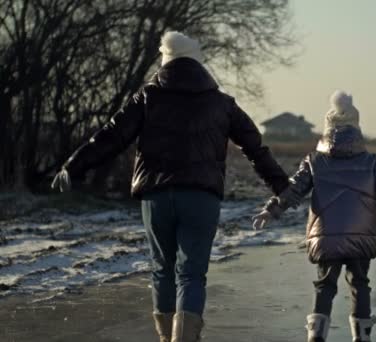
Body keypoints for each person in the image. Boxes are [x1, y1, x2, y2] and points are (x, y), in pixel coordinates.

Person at [52, 31, 289, 342]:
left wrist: (73, 166)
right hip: (201, 197)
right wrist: (282, 186)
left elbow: (111, 136)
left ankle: (166, 338)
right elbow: (255, 148)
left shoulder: (147, 98)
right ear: (199, 64)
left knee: (163, 269)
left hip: (157, 197)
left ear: (165, 62)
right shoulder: (223, 104)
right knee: (191, 274)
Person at [252, 90, 376, 342]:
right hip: (362, 235)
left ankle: (316, 335)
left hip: (326, 237)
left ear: (327, 127)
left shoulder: (315, 160)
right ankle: (362, 336)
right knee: (360, 283)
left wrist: (271, 210)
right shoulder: (372, 162)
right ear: (357, 128)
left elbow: (294, 188)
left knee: (325, 284)